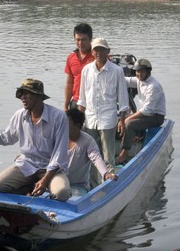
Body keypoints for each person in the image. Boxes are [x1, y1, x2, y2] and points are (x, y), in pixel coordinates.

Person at [0, 78, 72, 201]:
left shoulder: (58, 117)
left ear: (38, 97)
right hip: (27, 165)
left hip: (50, 169)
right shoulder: (20, 115)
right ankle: (31, 187)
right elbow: (4, 137)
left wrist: (45, 181)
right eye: (21, 94)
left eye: (26, 94)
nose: (22, 98)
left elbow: (59, 155)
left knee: (62, 193)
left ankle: (43, 192)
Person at [77, 37, 130, 186]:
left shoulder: (117, 71)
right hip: (90, 119)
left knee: (107, 157)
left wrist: (122, 120)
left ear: (108, 51)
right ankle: (94, 186)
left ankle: (109, 186)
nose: (98, 52)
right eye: (96, 49)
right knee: (91, 156)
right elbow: (82, 98)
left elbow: (123, 98)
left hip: (108, 118)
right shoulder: (86, 70)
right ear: (92, 52)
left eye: (101, 49)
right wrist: (79, 120)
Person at [116, 59, 166, 165]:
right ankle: (120, 144)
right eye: (137, 71)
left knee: (130, 123)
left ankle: (124, 153)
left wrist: (128, 118)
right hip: (144, 115)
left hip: (155, 117)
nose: (139, 74)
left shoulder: (153, 86)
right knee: (116, 120)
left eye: (142, 71)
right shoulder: (139, 81)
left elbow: (148, 110)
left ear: (148, 71)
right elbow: (126, 81)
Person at [66, 108, 117, 196]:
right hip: (58, 182)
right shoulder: (58, 137)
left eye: (67, 123)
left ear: (78, 125)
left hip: (78, 186)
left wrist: (106, 173)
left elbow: (96, 157)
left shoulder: (87, 141)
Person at [64, 23, 95, 110]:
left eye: (83, 40)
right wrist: (65, 106)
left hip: (93, 102)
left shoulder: (98, 56)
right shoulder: (71, 57)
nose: (80, 43)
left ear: (90, 39)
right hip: (76, 102)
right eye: (77, 40)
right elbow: (69, 83)